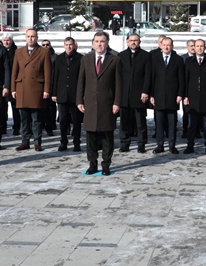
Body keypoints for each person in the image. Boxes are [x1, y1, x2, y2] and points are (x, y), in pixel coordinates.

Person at [76, 31, 122, 175]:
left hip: (107, 104)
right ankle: (92, 164)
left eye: (102, 41)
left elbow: (118, 84)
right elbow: (81, 81)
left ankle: (106, 164)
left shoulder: (114, 60)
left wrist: (117, 102)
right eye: (97, 41)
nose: (99, 44)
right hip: (89, 104)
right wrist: (79, 100)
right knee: (91, 137)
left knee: (107, 136)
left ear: (107, 43)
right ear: (92, 43)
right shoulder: (86, 59)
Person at [12, 27, 52, 152]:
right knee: (24, 118)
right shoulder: (19, 52)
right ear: (25, 37)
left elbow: (47, 73)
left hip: (36, 89)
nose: (31, 38)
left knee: (37, 118)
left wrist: (46, 90)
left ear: (37, 37)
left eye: (33, 36)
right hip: (22, 87)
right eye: (28, 36)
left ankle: (37, 142)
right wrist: (13, 88)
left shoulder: (43, 52)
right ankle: (24, 141)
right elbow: (14, 71)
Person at [118, 33, 152, 153]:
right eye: (131, 40)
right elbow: (119, 76)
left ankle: (141, 144)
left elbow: (148, 75)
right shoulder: (121, 56)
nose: (133, 42)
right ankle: (124, 143)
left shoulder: (146, 56)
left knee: (140, 121)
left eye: (136, 40)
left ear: (139, 42)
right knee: (124, 121)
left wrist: (145, 91)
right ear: (127, 42)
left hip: (139, 94)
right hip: (125, 94)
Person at [151, 36, 185, 154]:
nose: (166, 47)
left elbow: (181, 79)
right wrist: (151, 95)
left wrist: (180, 94)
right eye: (164, 45)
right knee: (159, 122)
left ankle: (172, 145)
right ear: (161, 46)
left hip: (172, 96)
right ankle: (160, 145)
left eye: (169, 45)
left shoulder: (178, 59)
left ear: (172, 46)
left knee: (172, 123)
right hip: (158, 95)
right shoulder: (155, 59)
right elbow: (151, 78)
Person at [52, 36, 83, 152]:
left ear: (74, 45)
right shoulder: (59, 59)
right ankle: (63, 142)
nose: (69, 47)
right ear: (64, 45)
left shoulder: (80, 58)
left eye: (70, 45)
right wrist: (54, 93)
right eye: (66, 45)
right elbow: (55, 77)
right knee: (63, 120)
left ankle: (76, 142)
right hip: (62, 94)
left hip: (75, 95)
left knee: (76, 121)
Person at [183, 39, 206, 154]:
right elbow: (185, 80)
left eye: (202, 46)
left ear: (205, 47)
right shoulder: (188, 62)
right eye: (197, 46)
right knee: (191, 125)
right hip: (193, 99)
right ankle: (190, 145)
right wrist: (185, 96)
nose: (200, 48)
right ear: (194, 48)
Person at [1, 34, 20, 137]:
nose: (6, 42)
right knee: (2, 107)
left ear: (12, 41)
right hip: (2, 82)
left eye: (8, 40)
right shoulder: (0, 51)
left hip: (14, 82)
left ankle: (16, 128)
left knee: (15, 107)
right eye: (4, 40)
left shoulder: (17, 52)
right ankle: (2, 127)